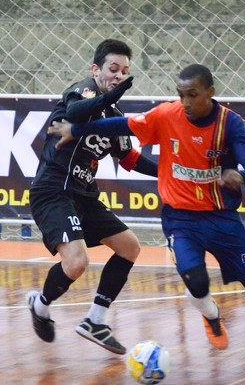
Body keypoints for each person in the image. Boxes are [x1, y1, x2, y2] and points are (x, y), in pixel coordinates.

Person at [47, 64, 245, 371]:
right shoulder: (167, 115)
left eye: (192, 95)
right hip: (181, 219)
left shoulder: (231, 124)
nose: (186, 102)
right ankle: (211, 316)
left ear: (210, 94)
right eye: (181, 95)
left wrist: (241, 176)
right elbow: (122, 125)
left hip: (223, 218)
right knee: (198, 284)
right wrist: (77, 129)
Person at [26, 39, 157, 355]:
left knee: (129, 247)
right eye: (113, 69)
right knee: (77, 262)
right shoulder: (83, 91)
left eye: (125, 71)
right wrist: (108, 96)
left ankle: (95, 321)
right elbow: (76, 112)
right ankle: (40, 305)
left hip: (84, 196)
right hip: (54, 190)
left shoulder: (113, 114)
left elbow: (130, 159)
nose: (119, 75)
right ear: (96, 69)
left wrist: (168, 171)